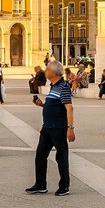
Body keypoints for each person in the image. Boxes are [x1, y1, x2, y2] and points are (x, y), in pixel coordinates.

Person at [26, 60, 74, 197]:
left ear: (53, 72)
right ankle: (40, 184)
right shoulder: (53, 86)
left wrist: (70, 128)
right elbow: (54, 104)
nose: (45, 71)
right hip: (47, 127)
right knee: (40, 155)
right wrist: (42, 105)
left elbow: (69, 108)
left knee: (61, 156)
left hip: (58, 127)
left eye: (47, 69)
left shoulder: (63, 86)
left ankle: (64, 186)